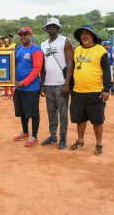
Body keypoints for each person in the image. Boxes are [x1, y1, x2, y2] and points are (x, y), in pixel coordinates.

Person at [69, 25, 111, 155]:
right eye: (82, 34)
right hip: (78, 92)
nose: (84, 36)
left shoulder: (101, 51)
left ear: (93, 36)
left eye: (87, 33)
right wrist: (70, 87)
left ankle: (99, 144)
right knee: (80, 119)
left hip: (95, 92)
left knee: (97, 120)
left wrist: (106, 89)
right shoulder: (76, 50)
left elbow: (107, 72)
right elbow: (72, 69)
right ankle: (80, 140)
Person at [40, 18, 74, 149]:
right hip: (48, 83)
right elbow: (43, 66)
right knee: (51, 112)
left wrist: (67, 84)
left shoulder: (65, 40)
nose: (52, 27)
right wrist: (42, 84)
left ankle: (63, 138)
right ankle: (53, 136)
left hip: (61, 83)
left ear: (58, 27)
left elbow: (70, 63)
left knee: (63, 113)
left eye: (54, 25)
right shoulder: (43, 44)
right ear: (47, 28)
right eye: (49, 26)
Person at [12, 26, 44, 147]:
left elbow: (37, 69)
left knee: (33, 113)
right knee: (23, 111)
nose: (23, 37)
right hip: (19, 87)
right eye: (21, 35)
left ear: (31, 35)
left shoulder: (36, 50)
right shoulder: (19, 49)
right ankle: (25, 132)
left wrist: (25, 82)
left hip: (31, 88)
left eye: (25, 34)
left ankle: (34, 136)